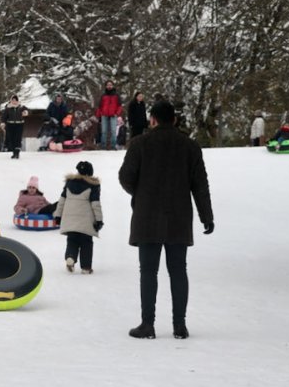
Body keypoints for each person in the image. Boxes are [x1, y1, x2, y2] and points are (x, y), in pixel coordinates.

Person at [118, 101, 214, 340]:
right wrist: (206, 216)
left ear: (152, 120)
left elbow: (125, 177)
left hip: (147, 215)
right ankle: (179, 325)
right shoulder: (190, 146)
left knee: (148, 271)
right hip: (179, 216)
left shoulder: (140, 144)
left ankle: (147, 324)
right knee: (178, 271)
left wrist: (140, 194)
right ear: (175, 120)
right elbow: (200, 185)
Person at [55, 160, 103, 274]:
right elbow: (95, 204)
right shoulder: (93, 185)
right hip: (86, 221)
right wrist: (99, 220)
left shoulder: (69, 183)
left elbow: (61, 201)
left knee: (72, 240)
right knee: (86, 243)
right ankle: (86, 267)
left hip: (69, 219)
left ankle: (70, 257)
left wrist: (57, 215)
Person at [95, 80, 123, 150]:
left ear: (112, 86)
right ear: (106, 86)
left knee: (113, 131)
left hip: (113, 115)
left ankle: (113, 146)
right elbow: (100, 106)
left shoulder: (116, 95)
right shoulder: (103, 95)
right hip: (104, 115)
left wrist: (117, 113)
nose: (109, 86)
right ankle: (103, 147)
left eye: (110, 85)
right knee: (104, 131)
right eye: (108, 85)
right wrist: (99, 115)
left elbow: (119, 106)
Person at [1, 95, 27, 159]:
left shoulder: (21, 107)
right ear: (11, 101)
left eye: (15, 100)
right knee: (11, 139)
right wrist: (3, 123)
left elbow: (27, 110)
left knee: (18, 139)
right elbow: (4, 117)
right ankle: (14, 153)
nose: (14, 101)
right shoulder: (8, 108)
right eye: (13, 100)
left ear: (17, 101)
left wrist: (25, 112)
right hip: (10, 125)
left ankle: (17, 152)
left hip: (19, 125)